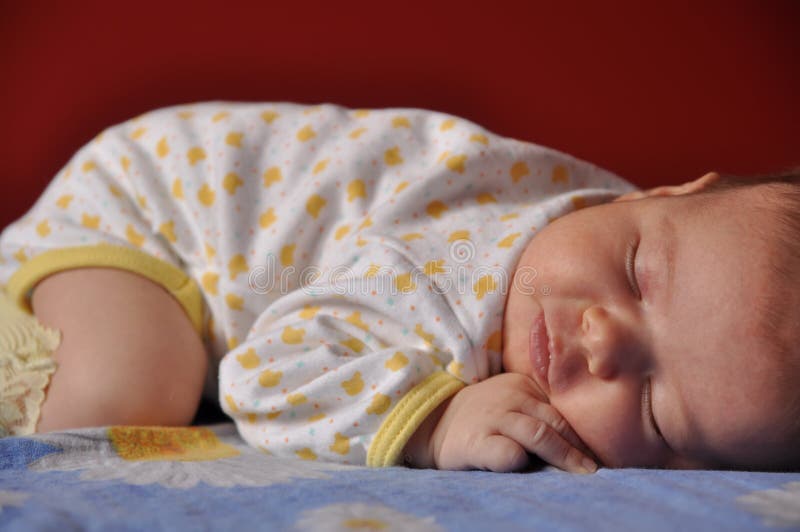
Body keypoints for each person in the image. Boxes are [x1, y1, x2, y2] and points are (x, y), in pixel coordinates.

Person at [0, 102, 797, 475]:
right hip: (151, 210)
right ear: (657, 195)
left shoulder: (667, 249)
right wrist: (432, 419)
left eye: (655, 406)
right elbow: (266, 375)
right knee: (132, 389)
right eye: (634, 274)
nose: (599, 337)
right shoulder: (451, 270)